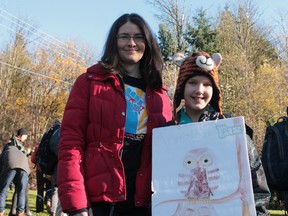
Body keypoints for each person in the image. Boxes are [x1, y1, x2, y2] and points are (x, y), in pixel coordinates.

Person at [57, 13, 172, 216]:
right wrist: (76, 205)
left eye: (138, 37)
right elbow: (71, 144)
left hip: (143, 203)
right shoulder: (89, 83)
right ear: (114, 41)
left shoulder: (159, 94)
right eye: (124, 37)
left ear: (147, 42)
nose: (131, 43)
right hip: (100, 201)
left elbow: (169, 154)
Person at [165, 51, 271, 215]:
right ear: (181, 87)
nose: (199, 90)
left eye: (207, 84)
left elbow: (257, 184)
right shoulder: (167, 134)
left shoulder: (232, 130)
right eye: (192, 82)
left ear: (214, 90)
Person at [0, 128, 31, 216]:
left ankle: (1, 211)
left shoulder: (8, 146)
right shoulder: (21, 148)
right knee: (21, 191)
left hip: (10, 164)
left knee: (3, 189)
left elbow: (2, 160)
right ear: (21, 135)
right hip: (24, 167)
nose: (26, 138)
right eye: (25, 136)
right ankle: (20, 212)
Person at [31, 142, 52, 213]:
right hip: (49, 170)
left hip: (40, 170)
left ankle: (39, 209)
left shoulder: (38, 147)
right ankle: (48, 201)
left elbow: (33, 159)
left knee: (40, 189)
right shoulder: (51, 145)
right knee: (49, 188)